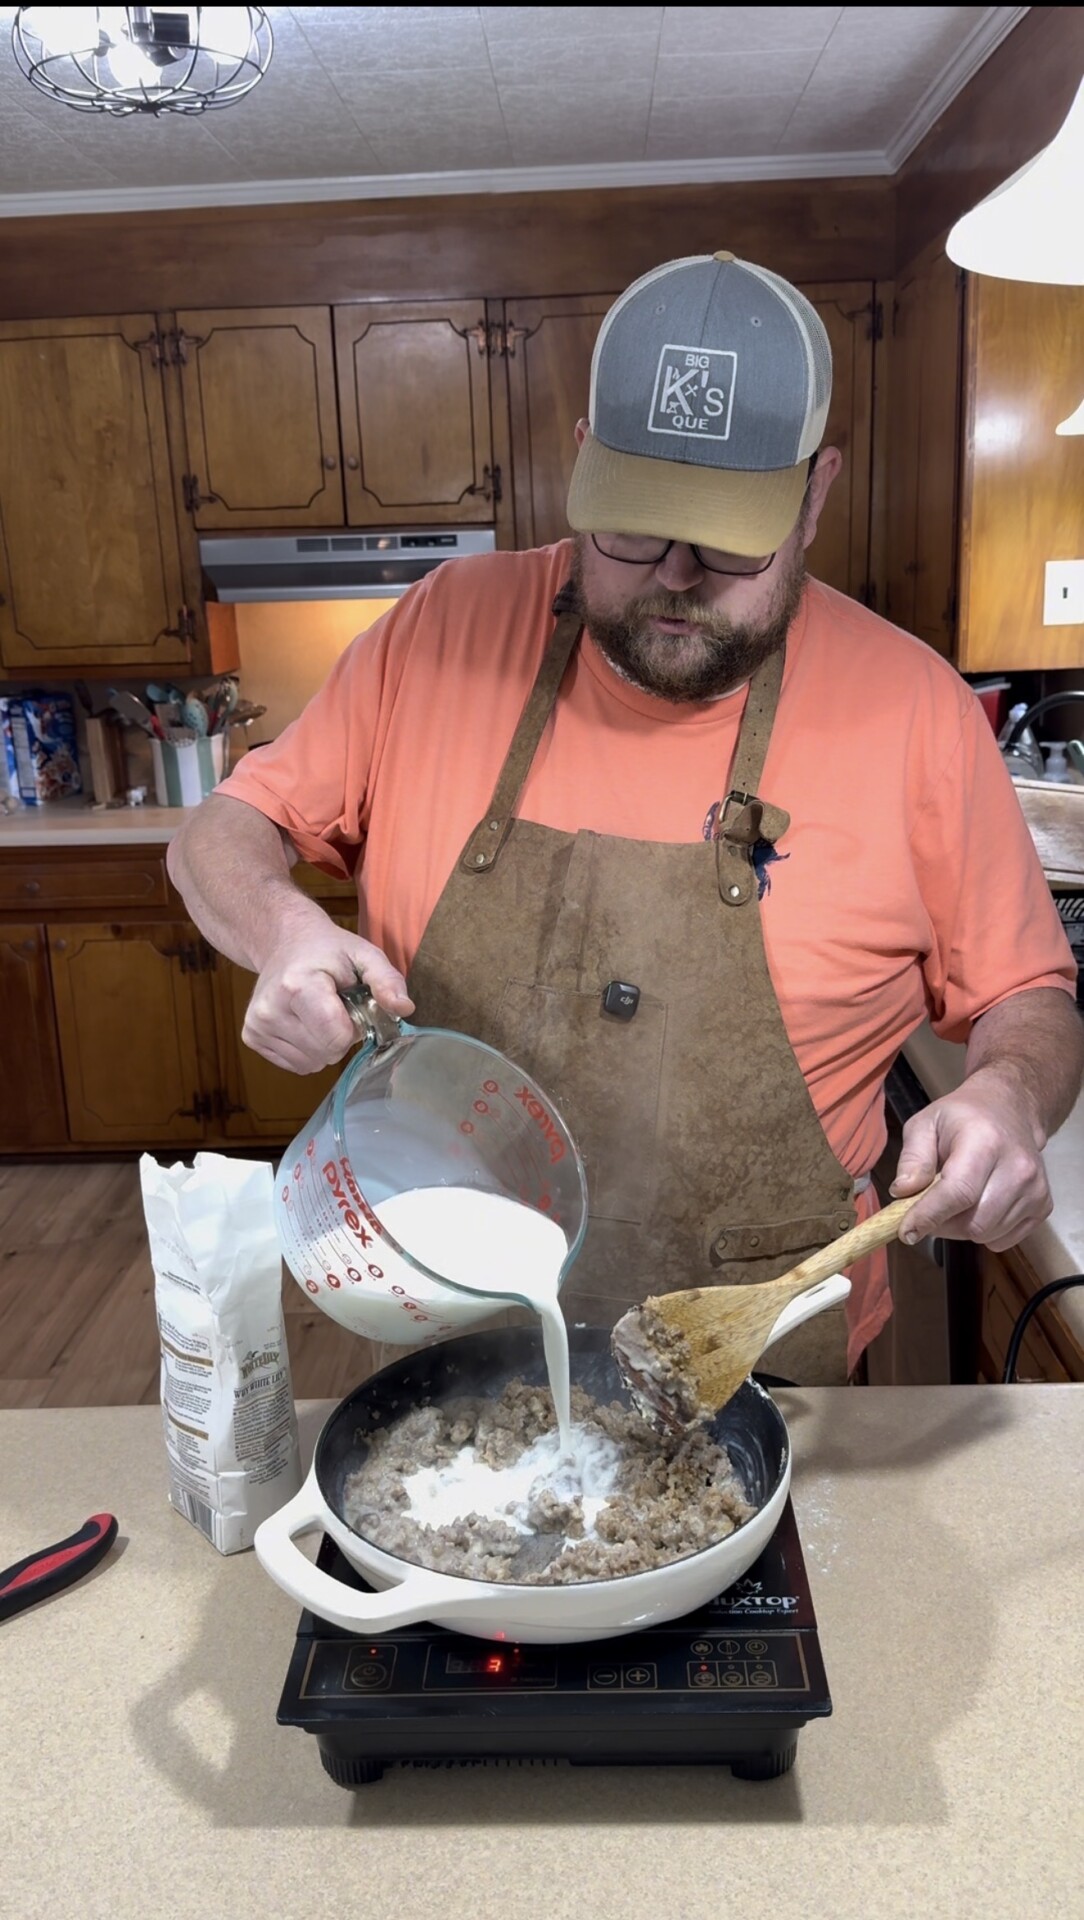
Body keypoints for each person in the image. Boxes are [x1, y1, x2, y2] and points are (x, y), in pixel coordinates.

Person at [167, 250, 1082, 1382]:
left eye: (728, 541)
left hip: (764, 1354)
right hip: (447, 1310)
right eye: (634, 532)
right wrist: (282, 932)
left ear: (818, 490)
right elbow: (219, 832)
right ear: (584, 460)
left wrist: (1006, 1094)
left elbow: (1028, 999)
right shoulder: (445, 628)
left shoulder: (916, 713)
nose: (677, 578)